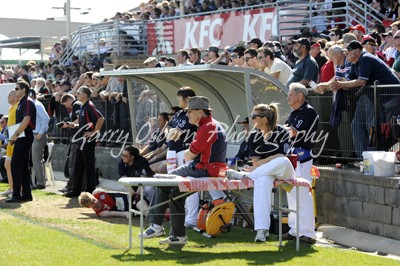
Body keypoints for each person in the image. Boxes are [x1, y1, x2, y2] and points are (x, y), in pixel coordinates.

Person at [142, 96, 228, 245]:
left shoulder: (207, 127)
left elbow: (189, 156)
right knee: (175, 195)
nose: (187, 114)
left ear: (200, 112)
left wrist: (176, 140)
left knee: (164, 182)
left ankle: (155, 226)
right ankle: (178, 236)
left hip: (205, 169)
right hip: (206, 168)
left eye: (190, 111)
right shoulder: (209, 125)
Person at [226, 103, 302, 243]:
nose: (251, 119)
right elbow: (256, 163)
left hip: (284, 171)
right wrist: (273, 158)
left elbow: (281, 157)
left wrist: (269, 160)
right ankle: (262, 231)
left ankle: (246, 176)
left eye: (254, 116)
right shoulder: (254, 135)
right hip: (264, 173)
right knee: (262, 181)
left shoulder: (281, 132)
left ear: (264, 119)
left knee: (283, 161)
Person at [331, 41, 400, 157]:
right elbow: (348, 81)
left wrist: (341, 85)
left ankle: (379, 158)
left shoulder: (366, 59)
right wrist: (336, 83)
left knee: (389, 130)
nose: (346, 55)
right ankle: (362, 158)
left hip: (390, 97)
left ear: (357, 51)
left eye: (348, 52)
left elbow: (361, 82)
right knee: (357, 124)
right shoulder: (355, 63)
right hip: (374, 97)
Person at [281, 82, 318, 243]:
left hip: (302, 157)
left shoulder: (308, 111)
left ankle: (308, 233)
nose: (288, 97)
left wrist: (274, 131)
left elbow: (292, 132)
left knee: (302, 194)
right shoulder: (295, 112)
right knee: (292, 194)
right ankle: (295, 229)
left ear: (300, 96)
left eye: (290, 94)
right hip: (291, 157)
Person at [65, 86, 105, 198]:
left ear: (85, 94)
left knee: (89, 166)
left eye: (79, 92)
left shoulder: (89, 106)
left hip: (87, 140)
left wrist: (94, 133)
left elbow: (101, 119)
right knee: (78, 165)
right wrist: (72, 125)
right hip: (81, 140)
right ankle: (76, 190)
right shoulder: (83, 107)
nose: (77, 94)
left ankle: (90, 190)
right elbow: (84, 124)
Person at [6, 80, 36, 203]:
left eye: (17, 88)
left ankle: (17, 194)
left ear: (24, 90)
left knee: (16, 166)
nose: (16, 90)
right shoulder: (21, 103)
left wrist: (16, 134)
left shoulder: (27, 102)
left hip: (24, 137)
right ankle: (26, 194)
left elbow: (26, 119)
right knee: (23, 167)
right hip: (20, 137)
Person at [58, 93, 82, 193]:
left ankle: (71, 185)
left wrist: (68, 124)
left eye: (65, 104)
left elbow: (80, 120)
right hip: (76, 137)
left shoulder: (76, 104)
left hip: (77, 137)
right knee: (74, 162)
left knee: (73, 162)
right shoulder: (78, 105)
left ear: (68, 100)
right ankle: (75, 185)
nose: (66, 107)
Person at [29, 89, 50, 190]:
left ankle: (41, 182)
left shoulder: (37, 105)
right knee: (34, 159)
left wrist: (41, 133)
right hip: (34, 134)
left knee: (36, 159)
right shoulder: (32, 105)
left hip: (37, 134)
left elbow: (46, 118)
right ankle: (37, 181)